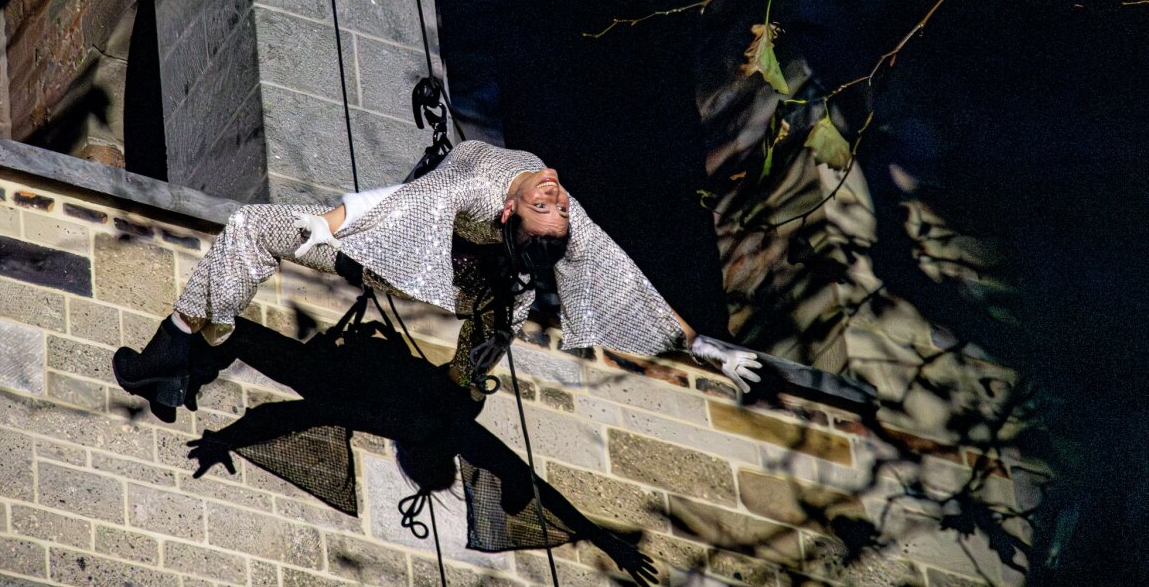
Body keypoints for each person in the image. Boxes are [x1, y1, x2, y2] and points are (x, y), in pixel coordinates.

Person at [112, 140, 761, 407]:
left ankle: (181, 345)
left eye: (549, 203)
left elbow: (627, 282)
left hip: (407, 260)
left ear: (509, 211)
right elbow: (407, 202)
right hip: (427, 263)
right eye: (555, 204)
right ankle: (197, 342)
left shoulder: (486, 182)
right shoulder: (539, 205)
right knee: (258, 229)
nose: (558, 194)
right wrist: (701, 342)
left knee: (252, 226)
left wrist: (332, 222)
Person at [182, 315, 658, 587]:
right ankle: (178, 369)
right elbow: (536, 488)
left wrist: (603, 538)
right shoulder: (429, 430)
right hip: (341, 374)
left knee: (237, 335)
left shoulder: (454, 436)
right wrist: (226, 438)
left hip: (343, 372)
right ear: (415, 459)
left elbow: (534, 486)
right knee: (240, 338)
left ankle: (178, 369)